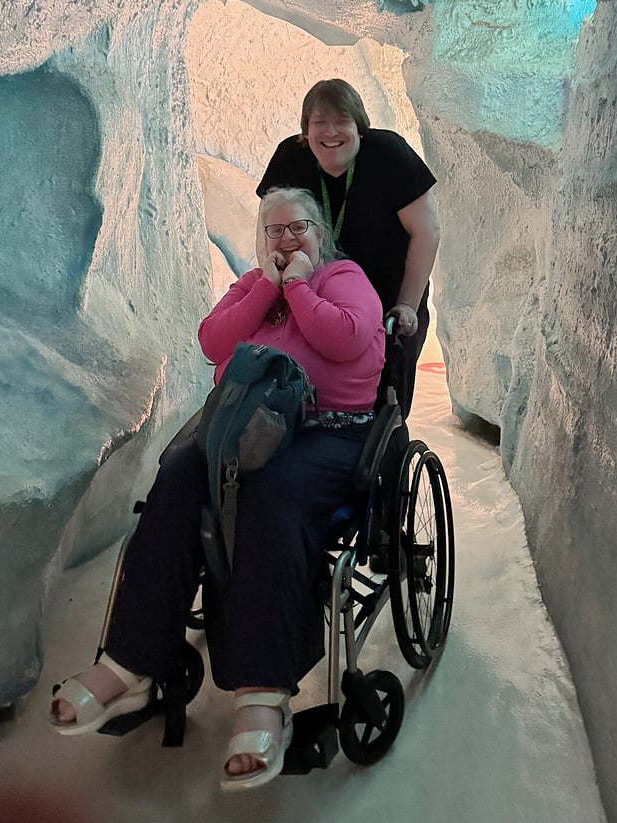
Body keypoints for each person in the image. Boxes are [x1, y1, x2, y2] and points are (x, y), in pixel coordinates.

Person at [50, 187, 385, 791]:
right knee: (177, 479)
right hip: (243, 426)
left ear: (320, 234)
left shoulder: (345, 276)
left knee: (268, 493)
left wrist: (299, 287)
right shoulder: (253, 287)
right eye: (273, 230)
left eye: (297, 228)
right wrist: (266, 286)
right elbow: (213, 342)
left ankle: (263, 692)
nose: (285, 240)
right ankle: (129, 664)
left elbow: (347, 338)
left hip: (326, 433)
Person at [257, 79, 440, 416]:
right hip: (318, 305)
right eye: (319, 122)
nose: (331, 132)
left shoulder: (389, 154)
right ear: (305, 130)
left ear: (360, 125)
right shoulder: (290, 159)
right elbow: (268, 231)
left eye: (342, 121)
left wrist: (407, 306)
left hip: (389, 302)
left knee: (387, 406)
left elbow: (426, 232)